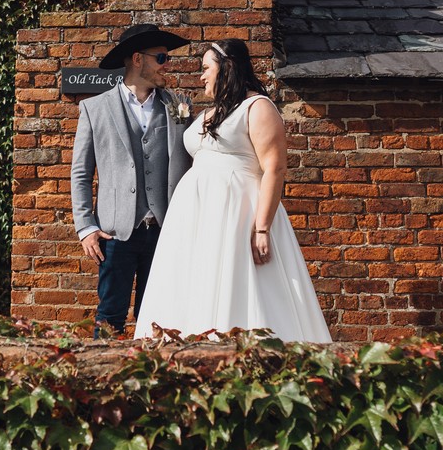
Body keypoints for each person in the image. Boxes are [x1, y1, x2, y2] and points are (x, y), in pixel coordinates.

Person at [133, 39, 332, 342]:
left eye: (206, 69)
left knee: (238, 285)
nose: (201, 76)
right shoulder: (207, 114)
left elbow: (274, 168)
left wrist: (262, 228)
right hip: (196, 218)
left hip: (237, 214)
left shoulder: (258, 107)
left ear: (227, 68)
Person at [71, 23, 194, 335]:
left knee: (159, 319)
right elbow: (82, 173)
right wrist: (86, 227)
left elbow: (190, 163)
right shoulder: (93, 108)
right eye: (162, 58)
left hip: (165, 231)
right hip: (116, 234)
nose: (168, 65)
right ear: (138, 59)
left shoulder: (178, 106)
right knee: (110, 315)